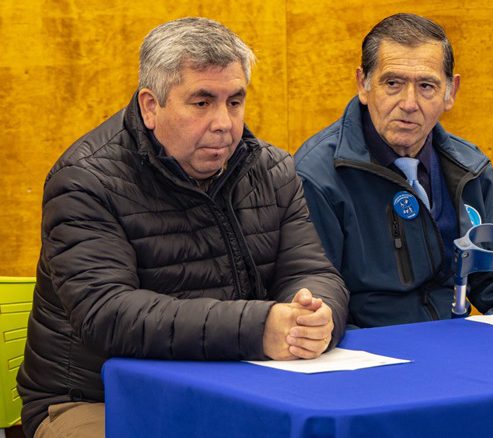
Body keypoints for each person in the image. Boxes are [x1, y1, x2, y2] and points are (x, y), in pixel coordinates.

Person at [17, 18, 349, 437]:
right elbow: (108, 314)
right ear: (150, 106)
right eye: (202, 102)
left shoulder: (272, 169)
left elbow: (312, 271)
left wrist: (316, 315)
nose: (224, 123)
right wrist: (258, 327)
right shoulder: (85, 181)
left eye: (234, 101)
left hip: (238, 387)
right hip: (98, 398)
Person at [295, 13, 493, 328]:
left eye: (426, 86)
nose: (409, 103)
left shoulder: (470, 168)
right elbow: (319, 302)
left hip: (456, 343)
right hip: (367, 346)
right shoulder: (317, 176)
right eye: (392, 84)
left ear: (450, 92)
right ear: (363, 85)